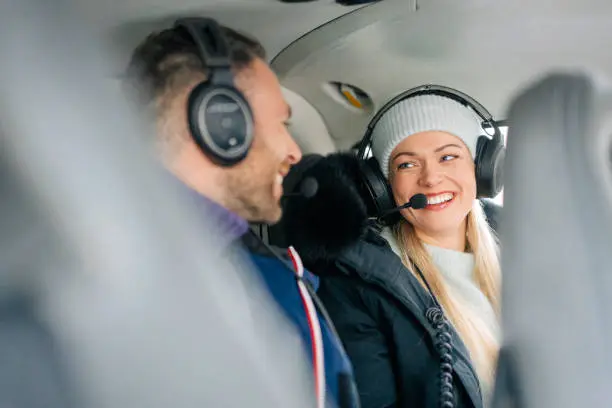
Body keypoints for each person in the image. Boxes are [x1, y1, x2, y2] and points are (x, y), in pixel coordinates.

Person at [123, 17, 358, 408]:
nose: (295, 153)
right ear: (220, 123)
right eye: (282, 123)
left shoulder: (253, 270)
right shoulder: (125, 289)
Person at [278, 90, 503, 408]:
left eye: (448, 156)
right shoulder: (358, 285)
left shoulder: (525, 249)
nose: (431, 178)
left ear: (481, 167)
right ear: (380, 187)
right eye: (407, 164)